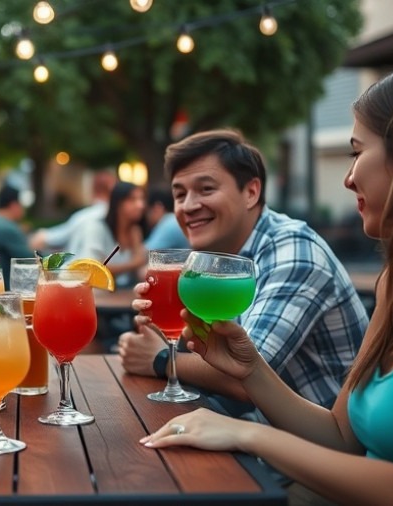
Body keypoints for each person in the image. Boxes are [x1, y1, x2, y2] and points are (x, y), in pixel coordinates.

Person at [142, 58, 393, 506]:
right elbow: (342, 436)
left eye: (356, 152)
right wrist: (250, 370)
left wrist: (246, 434)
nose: (348, 178)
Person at [118, 129, 368, 421]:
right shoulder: (217, 259)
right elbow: (215, 348)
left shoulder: (292, 249)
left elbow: (245, 377)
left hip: (321, 452)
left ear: (251, 192)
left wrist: (160, 360)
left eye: (206, 189)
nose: (188, 206)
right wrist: (168, 333)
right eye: (180, 194)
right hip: (262, 433)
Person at [69, 180, 148, 288]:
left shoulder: (135, 231)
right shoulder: (96, 227)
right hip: (77, 287)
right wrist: (134, 263)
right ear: (117, 203)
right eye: (132, 199)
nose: (140, 205)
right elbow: (92, 269)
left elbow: (140, 270)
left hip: (115, 293)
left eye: (142, 199)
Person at [29, 170, 116, 251]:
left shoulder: (88, 215)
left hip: (80, 264)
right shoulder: (112, 214)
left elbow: (55, 237)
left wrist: (40, 235)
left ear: (93, 189)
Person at [144, 185, 189, 250]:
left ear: (157, 208)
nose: (147, 218)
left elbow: (144, 255)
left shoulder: (170, 222)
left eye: (147, 212)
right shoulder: (173, 220)